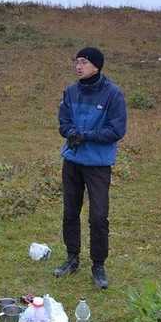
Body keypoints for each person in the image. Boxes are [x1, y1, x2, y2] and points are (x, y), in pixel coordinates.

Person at [54, 47, 127, 289]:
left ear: (96, 65)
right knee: (70, 212)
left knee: (98, 216)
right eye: (76, 62)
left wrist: (85, 135)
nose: (78, 66)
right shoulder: (71, 91)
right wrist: (71, 132)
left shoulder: (113, 94)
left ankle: (98, 265)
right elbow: (63, 121)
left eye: (83, 62)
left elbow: (117, 130)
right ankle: (72, 258)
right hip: (73, 161)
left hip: (98, 164)